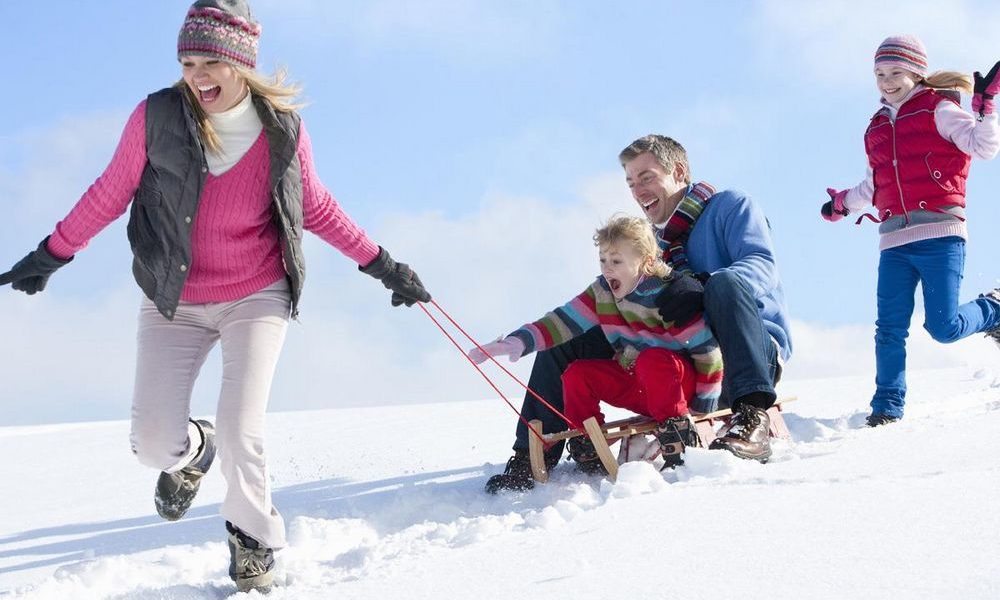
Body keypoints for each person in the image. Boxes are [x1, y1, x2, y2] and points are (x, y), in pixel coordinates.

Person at [0, 0, 430, 593]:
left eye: (209, 61)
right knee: (153, 444)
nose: (196, 74)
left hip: (255, 293)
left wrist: (382, 264)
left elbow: (318, 208)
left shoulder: (282, 131)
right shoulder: (155, 118)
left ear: (240, 64)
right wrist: (54, 251)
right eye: (186, 61)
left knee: (242, 426)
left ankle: (253, 542)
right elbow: (110, 190)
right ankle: (192, 451)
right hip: (172, 296)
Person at [485, 135, 792, 493]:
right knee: (572, 337)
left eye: (646, 177)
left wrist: (703, 286)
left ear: (678, 171)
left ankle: (750, 417)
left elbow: (762, 266)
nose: (638, 190)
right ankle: (532, 454)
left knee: (725, 283)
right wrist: (524, 338)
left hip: (743, 355)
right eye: (631, 182)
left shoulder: (731, 206)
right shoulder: (649, 242)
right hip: (677, 364)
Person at [821, 35, 1000, 427]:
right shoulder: (875, 128)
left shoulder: (940, 109)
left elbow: (983, 148)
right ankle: (887, 405)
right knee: (888, 329)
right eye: (879, 74)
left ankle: (993, 308)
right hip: (895, 243)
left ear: (916, 72)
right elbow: (873, 186)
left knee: (944, 328)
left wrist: (985, 108)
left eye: (895, 72)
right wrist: (841, 204)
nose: (887, 81)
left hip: (940, 234)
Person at [469, 215, 723, 478]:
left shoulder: (668, 295)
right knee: (577, 373)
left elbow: (707, 351)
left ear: (646, 262)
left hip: (677, 387)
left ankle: (676, 437)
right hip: (638, 384)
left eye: (616, 261)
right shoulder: (602, 293)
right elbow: (562, 321)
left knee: (652, 359)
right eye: (603, 260)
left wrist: (703, 405)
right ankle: (588, 440)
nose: (607, 269)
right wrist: (517, 342)